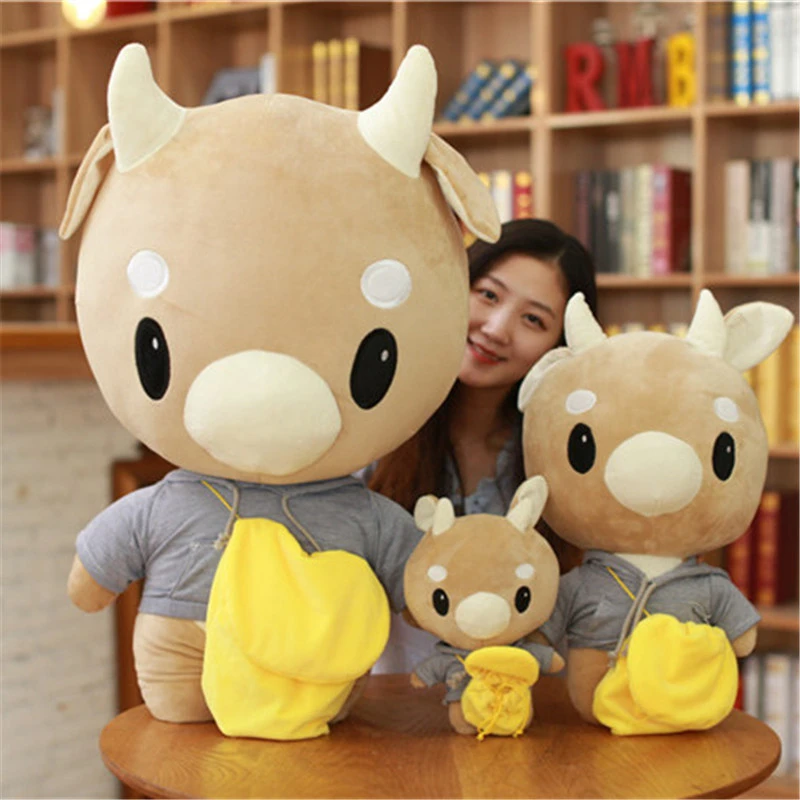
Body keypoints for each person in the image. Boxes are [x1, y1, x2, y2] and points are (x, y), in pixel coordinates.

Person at [366, 218, 599, 673]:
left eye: (533, 319)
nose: (495, 328)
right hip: (386, 695)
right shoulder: (374, 419)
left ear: (559, 345)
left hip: (521, 696)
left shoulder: (563, 461)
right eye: (488, 295)